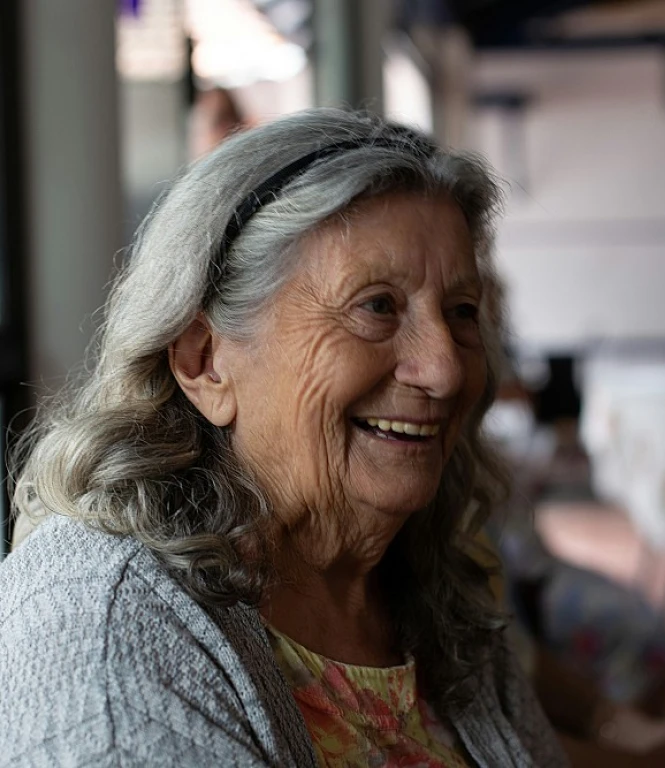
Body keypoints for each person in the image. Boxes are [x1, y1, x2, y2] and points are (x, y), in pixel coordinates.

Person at [1, 109, 567, 767]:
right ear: (204, 362)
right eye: (377, 306)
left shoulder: (425, 577)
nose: (444, 369)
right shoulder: (104, 625)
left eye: (462, 312)